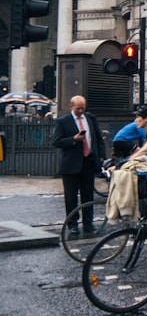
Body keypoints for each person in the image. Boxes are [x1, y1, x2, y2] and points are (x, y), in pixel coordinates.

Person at [52, 95, 106, 235]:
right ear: (71, 107)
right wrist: (73, 139)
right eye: (78, 108)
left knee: (88, 195)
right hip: (71, 164)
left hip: (88, 161)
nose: (81, 111)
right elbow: (56, 142)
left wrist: (101, 156)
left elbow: (98, 138)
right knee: (71, 197)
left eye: (83, 108)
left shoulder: (90, 118)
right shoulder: (63, 121)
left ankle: (88, 223)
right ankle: (72, 224)